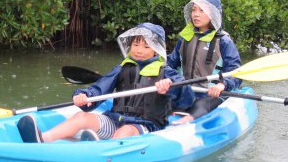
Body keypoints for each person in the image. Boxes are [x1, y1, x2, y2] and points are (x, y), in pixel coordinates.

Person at [17, 23, 194, 143]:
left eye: (146, 47)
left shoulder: (167, 73)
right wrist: (84, 96)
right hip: (115, 119)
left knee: (126, 132)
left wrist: (169, 87)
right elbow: (99, 89)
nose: (139, 50)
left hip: (143, 125)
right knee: (81, 117)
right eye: (136, 45)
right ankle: (42, 139)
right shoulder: (121, 69)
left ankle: (99, 151)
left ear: (156, 50)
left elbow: (186, 97)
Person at [166, 0, 242, 123]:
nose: (196, 14)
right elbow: (170, 63)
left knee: (200, 106)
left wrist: (222, 85)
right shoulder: (185, 38)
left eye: (202, 10)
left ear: (213, 14)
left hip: (210, 94)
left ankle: (184, 123)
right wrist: (165, 77)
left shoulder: (223, 41)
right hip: (186, 91)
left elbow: (236, 72)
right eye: (194, 10)